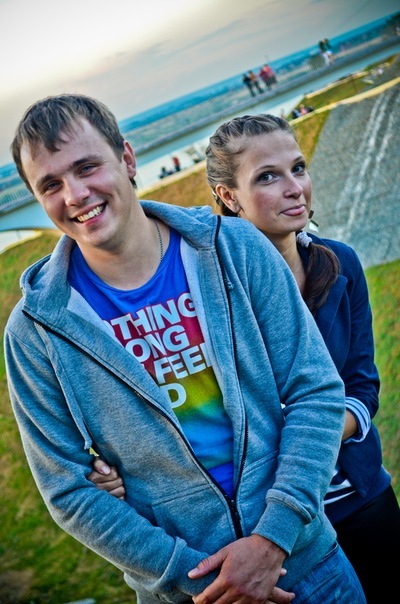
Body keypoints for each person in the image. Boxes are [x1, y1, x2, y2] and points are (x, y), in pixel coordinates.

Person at [5, 94, 366, 604]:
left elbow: (316, 390)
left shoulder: (235, 248)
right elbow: (68, 490)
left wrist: (272, 539)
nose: (76, 194)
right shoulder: (35, 331)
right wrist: (207, 579)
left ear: (127, 159)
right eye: (50, 185)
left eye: (87, 167)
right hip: (190, 594)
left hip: (309, 567)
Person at [202, 114, 399, 603]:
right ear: (229, 196)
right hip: (279, 530)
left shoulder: (341, 263)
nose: (295, 188)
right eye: (268, 176)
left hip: (361, 498)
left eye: (298, 168)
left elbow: (362, 388)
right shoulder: (211, 298)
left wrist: (315, 437)